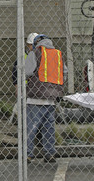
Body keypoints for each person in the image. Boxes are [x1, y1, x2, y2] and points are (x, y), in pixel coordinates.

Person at [25, 34, 67, 163]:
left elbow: (27, 71)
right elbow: (64, 73)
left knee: (31, 127)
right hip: (52, 98)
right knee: (49, 128)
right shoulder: (57, 54)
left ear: (36, 43)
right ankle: (49, 154)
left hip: (36, 97)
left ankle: (28, 154)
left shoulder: (36, 52)